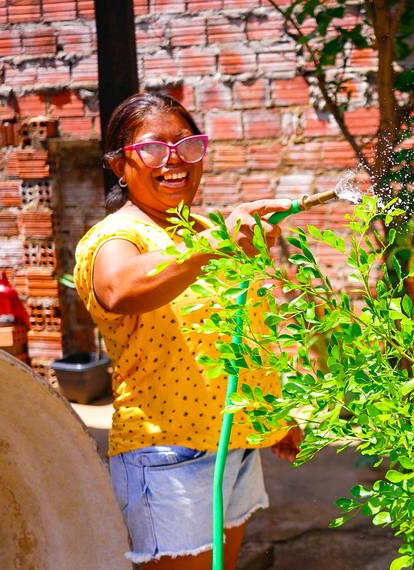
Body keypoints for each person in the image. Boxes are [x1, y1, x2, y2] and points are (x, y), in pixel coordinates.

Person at [74, 92, 302, 570]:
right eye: (154, 148)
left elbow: (240, 329)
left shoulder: (199, 227)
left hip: (231, 441)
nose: (174, 161)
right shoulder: (117, 237)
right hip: (167, 452)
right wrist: (214, 242)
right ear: (120, 165)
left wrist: (271, 415)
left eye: (187, 145)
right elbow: (121, 289)